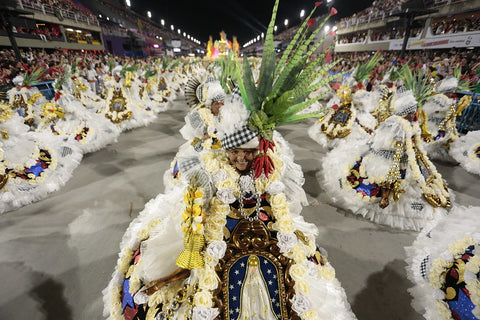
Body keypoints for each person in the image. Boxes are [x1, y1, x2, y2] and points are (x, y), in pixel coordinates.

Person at [321, 89, 451, 231]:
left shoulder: (411, 124)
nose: (413, 114)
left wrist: (411, 149)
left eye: (413, 111)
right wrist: (399, 146)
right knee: (383, 177)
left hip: (408, 159)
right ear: (404, 111)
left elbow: (416, 141)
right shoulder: (394, 123)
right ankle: (383, 198)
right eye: (410, 111)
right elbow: (383, 143)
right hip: (388, 159)